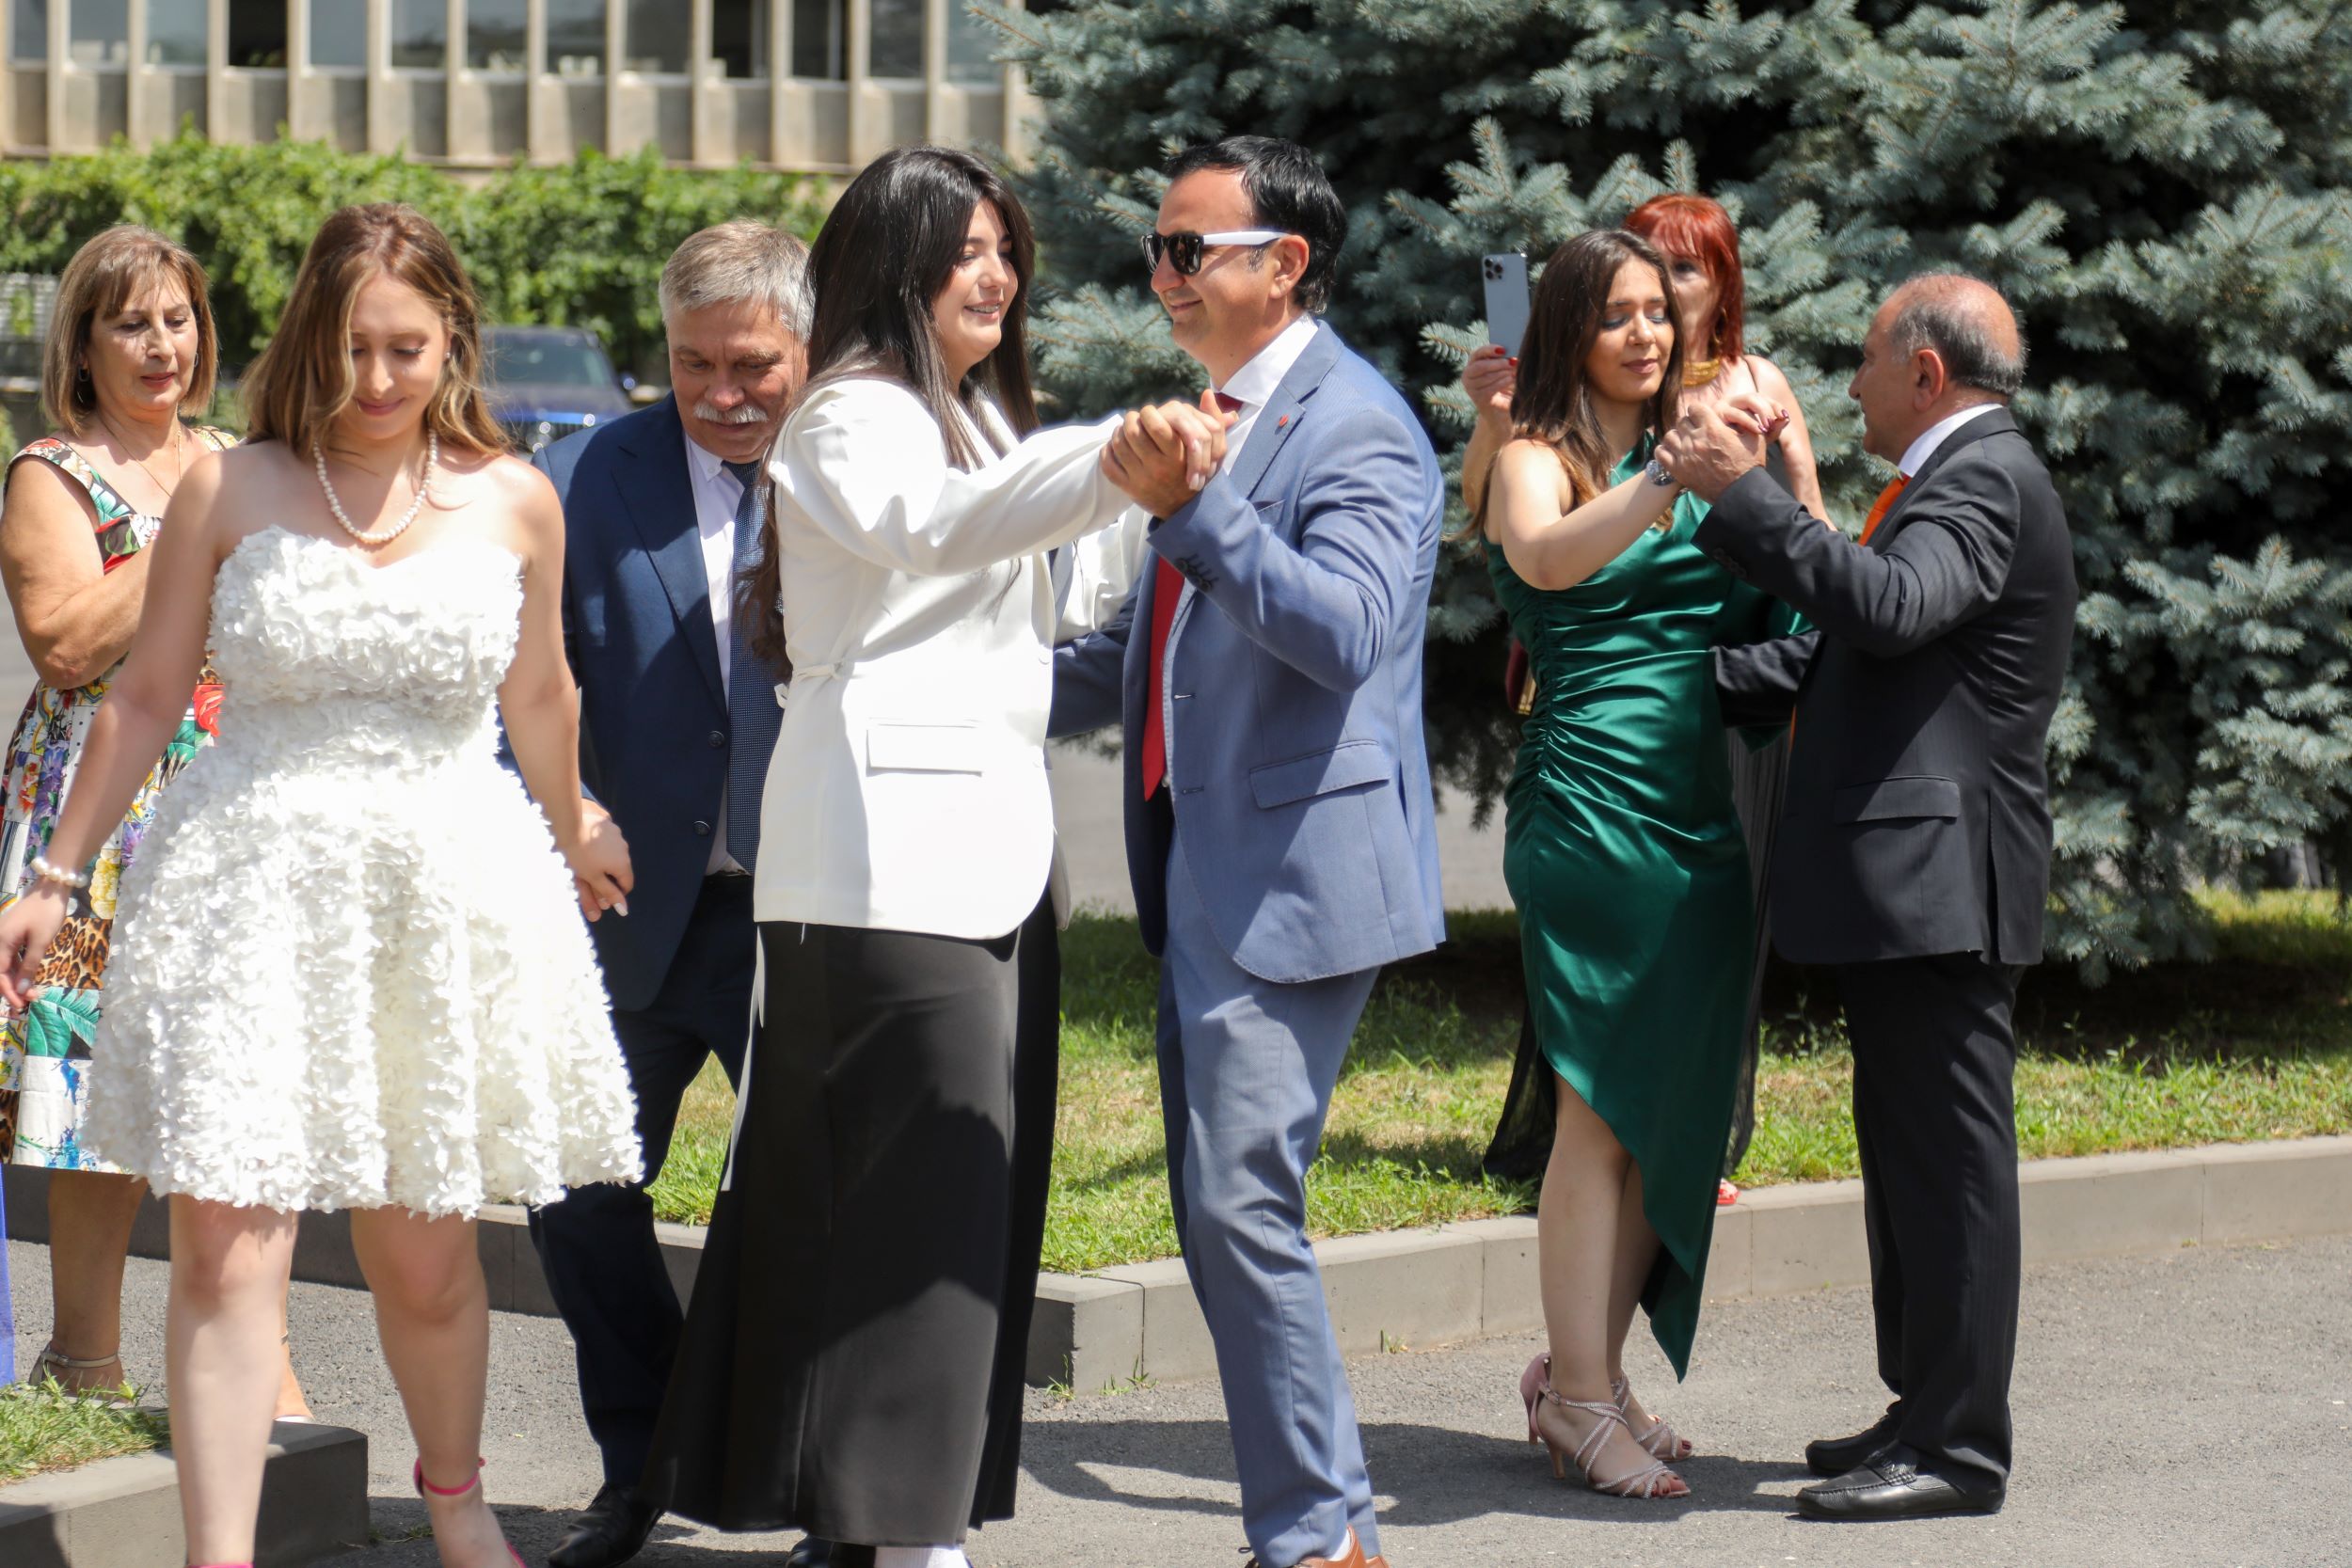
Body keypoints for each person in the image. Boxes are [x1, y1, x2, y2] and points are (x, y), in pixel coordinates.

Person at [0, 202, 643, 1568]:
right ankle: (218, 1554)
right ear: (309, 338)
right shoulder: (234, 489)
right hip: (253, 882)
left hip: (436, 887)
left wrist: (574, 817)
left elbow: (540, 692)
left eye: (407, 347)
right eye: (352, 346)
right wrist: (54, 872)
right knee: (227, 1247)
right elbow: (145, 694)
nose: (378, 377)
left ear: (452, 339)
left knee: (425, 1253)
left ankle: (457, 1502)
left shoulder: (516, 498)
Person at [641, 145, 1216, 1568]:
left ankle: (879, 1522)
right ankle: (912, 1539)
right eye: (966, 248)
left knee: (960, 1201)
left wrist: (1150, 490)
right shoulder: (848, 413)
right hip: (877, 868)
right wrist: (1110, 459)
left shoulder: (974, 414)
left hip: (986, 860)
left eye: (1006, 248)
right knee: (914, 1205)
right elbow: (938, 532)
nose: (997, 274)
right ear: (895, 263)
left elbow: (1057, 595)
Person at [1049, 135, 1445, 1568]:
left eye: (1187, 249)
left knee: (1237, 1201)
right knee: (1224, 1208)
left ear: (1284, 264)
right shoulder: (1214, 417)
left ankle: (1320, 1532)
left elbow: (1345, 630)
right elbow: (1138, 649)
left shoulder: (1360, 425)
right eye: (1155, 248)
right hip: (1201, 864)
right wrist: (956, 693)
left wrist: (1192, 507)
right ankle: (1326, 1518)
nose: (1160, 274)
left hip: (1292, 873)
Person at [1658, 272, 2075, 1519]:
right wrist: (1665, 683)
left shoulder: (1984, 477)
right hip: (1916, 887)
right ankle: (1922, 1406)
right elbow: (1845, 653)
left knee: (1948, 1168)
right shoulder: (1956, 479)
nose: (1850, 385)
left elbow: (1886, 609)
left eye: (1867, 360)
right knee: (1907, 1167)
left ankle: (1959, 1447)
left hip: (1947, 887)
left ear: (1926, 373)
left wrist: (1740, 490)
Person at [1465, 228, 1798, 1502]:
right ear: (1568, 329)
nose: (1649, 333)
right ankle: (1583, 1397)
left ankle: (1580, 1373)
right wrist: (1670, 469)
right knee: (1600, 1111)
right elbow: (1548, 557)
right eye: (1617, 314)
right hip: (1592, 810)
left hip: (1698, 812)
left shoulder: (1696, 463)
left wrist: (1785, 467)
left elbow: (1789, 597)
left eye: (1660, 310)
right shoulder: (1533, 456)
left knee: (1674, 1110)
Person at [508, 220, 819, 1568]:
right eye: (695, 364)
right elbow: (514, 685)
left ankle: (828, 1486)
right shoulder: (579, 479)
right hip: (627, 906)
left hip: (810, 906)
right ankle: (641, 1458)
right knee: (571, 1178)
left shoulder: (860, 468)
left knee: (814, 1203)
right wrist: (563, 815)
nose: (722, 393)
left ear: (806, 347)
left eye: (753, 365)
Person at [0, 224, 308, 1419]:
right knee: (93, 1094)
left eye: (177, 319)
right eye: (131, 322)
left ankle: (255, 1356)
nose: (160, 343)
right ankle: (83, 1358)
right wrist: (194, 525)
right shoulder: (49, 472)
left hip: (235, 801)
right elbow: (64, 642)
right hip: (102, 809)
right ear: (82, 344)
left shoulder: (233, 455)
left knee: (239, 1084)